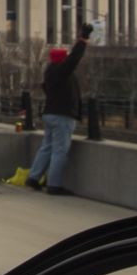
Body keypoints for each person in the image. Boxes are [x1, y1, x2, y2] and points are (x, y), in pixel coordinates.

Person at [26, 22, 93, 196]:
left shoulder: (50, 72)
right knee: (60, 150)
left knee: (46, 147)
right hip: (62, 115)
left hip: (50, 114)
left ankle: (33, 177)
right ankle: (54, 185)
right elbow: (74, 58)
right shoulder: (62, 71)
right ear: (62, 59)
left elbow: (71, 59)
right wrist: (83, 39)